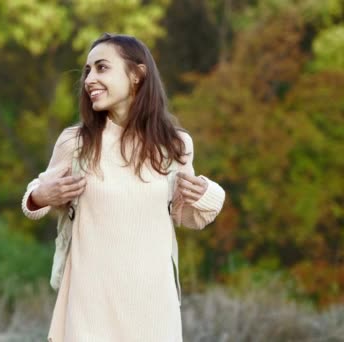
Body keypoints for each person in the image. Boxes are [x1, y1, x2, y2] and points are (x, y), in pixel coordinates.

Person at [21, 33, 225, 342]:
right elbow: (38, 195)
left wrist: (208, 193)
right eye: (88, 70)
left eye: (102, 68)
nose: (89, 79)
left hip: (153, 309)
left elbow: (186, 215)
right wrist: (39, 197)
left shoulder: (176, 144)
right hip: (89, 308)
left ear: (137, 75)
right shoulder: (75, 143)